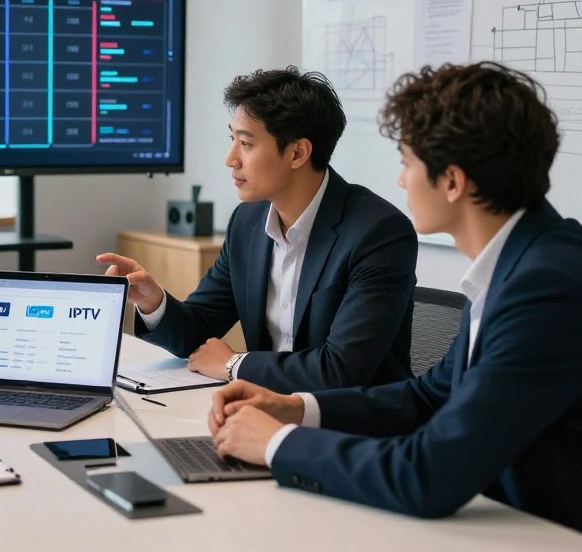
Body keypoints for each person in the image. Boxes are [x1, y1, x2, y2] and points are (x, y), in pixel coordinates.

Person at [208, 62, 582, 530]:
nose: (401, 181)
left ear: (452, 181)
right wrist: (296, 408)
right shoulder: (519, 264)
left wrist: (276, 443)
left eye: (407, 162)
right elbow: (431, 397)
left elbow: (429, 473)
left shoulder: (546, 286)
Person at [98, 67, 417, 392]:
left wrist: (233, 364)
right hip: (265, 408)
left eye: (246, 143)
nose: (230, 159)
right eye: (232, 139)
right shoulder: (247, 222)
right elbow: (198, 332)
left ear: (297, 153)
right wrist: (153, 301)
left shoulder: (378, 232)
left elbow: (342, 370)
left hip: (351, 426)